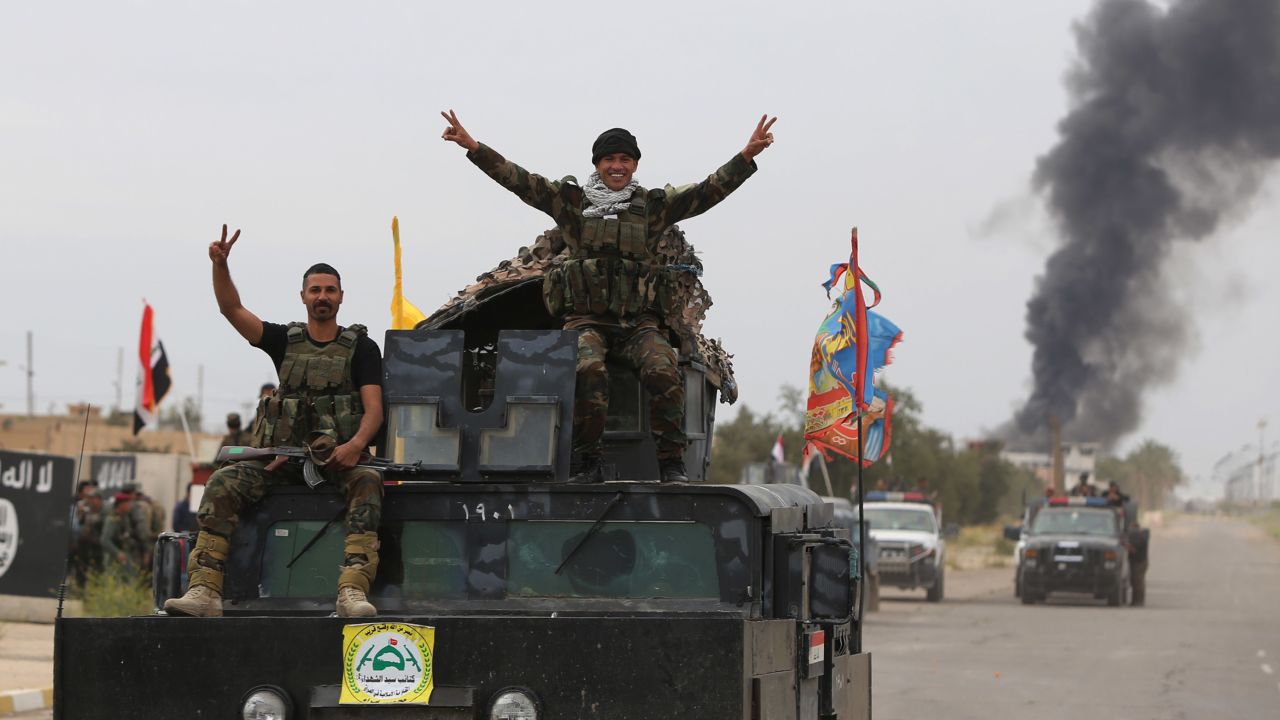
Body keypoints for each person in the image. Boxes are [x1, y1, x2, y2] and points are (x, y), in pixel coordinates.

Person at [441, 110, 776, 482]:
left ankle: (671, 464)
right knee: (588, 368)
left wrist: (746, 157)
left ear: (634, 165)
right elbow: (520, 180)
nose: (617, 167)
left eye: (625, 160)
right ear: (597, 164)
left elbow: (705, 192)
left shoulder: (652, 208)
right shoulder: (570, 203)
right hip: (586, 322)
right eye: (609, 160)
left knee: (664, 368)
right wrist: (474, 148)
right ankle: (588, 462)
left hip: (639, 326)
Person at [164, 225, 386, 618]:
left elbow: (374, 412)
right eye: (315, 290)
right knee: (223, 482)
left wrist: (354, 447)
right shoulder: (284, 340)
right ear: (303, 297)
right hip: (282, 461)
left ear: (341, 297)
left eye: (330, 290)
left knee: (369, 483)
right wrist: (220, 266)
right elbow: (231, 310)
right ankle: (203, 590)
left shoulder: (362, 348)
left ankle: (352, 591)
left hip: (338, 461)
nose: (322, 297)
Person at [1128, 519, 1150, 606]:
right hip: (1140, 562)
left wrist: (1126, 546)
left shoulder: (1138, 536)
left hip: (1139, 563)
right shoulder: (1140, 535)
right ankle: (1135, 601)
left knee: (1138, 582)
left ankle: (1139, 602)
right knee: (1136, 582)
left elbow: (1133, 550)